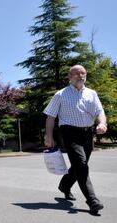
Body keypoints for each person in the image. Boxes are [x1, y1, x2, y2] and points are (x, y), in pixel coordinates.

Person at [43, 65, 107, 215]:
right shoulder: (60, 94)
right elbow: (51, 117)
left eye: (83, 73)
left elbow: (100, 112)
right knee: (81, 164)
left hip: (87, 133)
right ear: (69, 76)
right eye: (76, 73)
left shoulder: (92, 93)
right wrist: (49, 135)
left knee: (79, 165)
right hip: (69, 133)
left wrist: (102, 123)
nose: (80, 75)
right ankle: (93, 201)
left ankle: (65, 186)